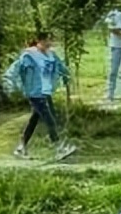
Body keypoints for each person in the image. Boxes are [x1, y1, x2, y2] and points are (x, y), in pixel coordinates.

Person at [6, 32, 76, 160]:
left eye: (50, 41)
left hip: (45, 91)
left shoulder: (51, 55)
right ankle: (58, 148)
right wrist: (12, 86)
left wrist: (66, 76)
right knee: (50, 119)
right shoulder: (29, 55)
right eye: (47, 41)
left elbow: (60, 67)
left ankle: (20, 148)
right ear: (39, 41)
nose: (49, 43)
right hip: (34, 93)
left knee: (34, 120)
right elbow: (15, 70)